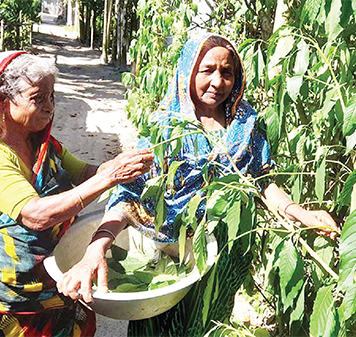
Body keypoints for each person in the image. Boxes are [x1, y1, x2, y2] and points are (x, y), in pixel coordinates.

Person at [58, 33, 338, 336]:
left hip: (225, 256)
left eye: (227, 72)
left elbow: (260, 184)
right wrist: (96, 248)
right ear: (187, 72)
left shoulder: (246, 124)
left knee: (207, 323)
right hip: (169, 255)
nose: (218, 82)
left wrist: (301, 213)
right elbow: (128, 196)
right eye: (207, 70)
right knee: (156, 326)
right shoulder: (165, 129)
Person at [0, 51, 154, 336]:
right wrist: (110, 177)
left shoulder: (44, 146)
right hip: (9, 297)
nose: (50, 108)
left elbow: (85, 173)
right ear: (1, 101)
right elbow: (36, 215)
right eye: (38, 98)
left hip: (53, 279)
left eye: (52, 97)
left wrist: (126, 165)